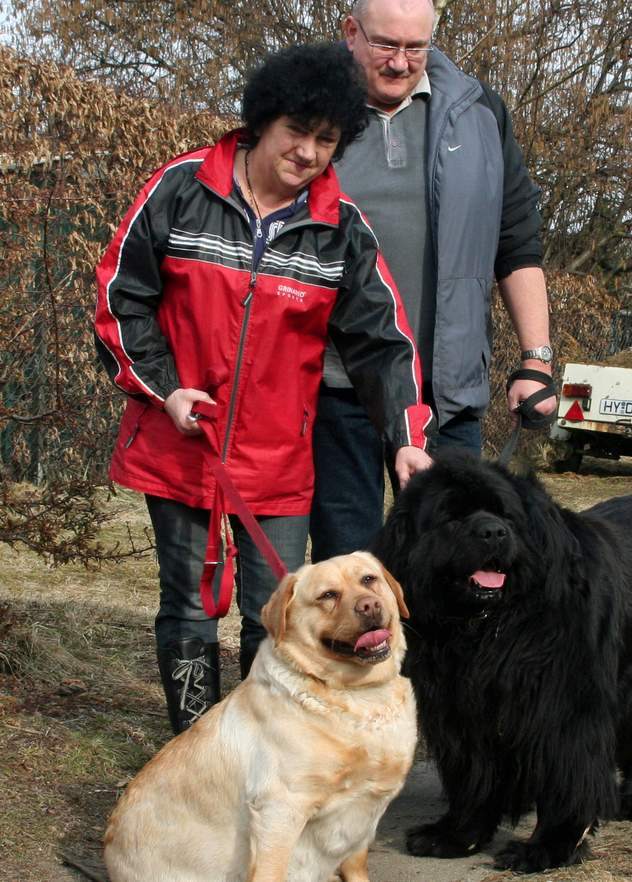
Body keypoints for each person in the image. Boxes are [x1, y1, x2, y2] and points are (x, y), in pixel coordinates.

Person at [94, 43, 434, 733]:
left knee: (275, 610)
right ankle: (193, 748)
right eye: (296, 132)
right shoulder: (180, 189)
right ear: (261, 122)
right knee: (188, 603)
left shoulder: (340, 230)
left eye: (326, 140)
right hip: (182, 444)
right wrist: (166, 390)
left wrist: (405, 438)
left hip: (278, 458)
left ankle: (259, 754)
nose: (307, 152)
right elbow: (119, 299)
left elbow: (382, 343)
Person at [310, 0, 558, 561]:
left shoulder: (477, 113)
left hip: (446, 389)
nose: (400, 63)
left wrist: (536, 360)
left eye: (415, 48)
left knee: (456, 565)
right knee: (352, 567)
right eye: (385, 46)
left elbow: (517, 242)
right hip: (336, 385)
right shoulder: (310, 113)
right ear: (351, 33)